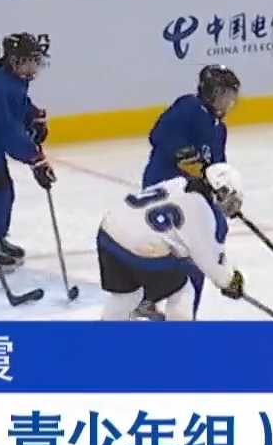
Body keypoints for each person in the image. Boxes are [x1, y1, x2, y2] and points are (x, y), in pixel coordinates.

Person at [135, 64, 239, 317]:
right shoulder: (189, 107)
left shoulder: (219, 129)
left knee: (209, 236)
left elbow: (216, 168)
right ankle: (154, 301)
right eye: (224, 95)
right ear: (211, 92)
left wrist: (224, 192)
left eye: (231, 96)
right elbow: (157, 134)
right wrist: (181, 152)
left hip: (190, 197)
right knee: (182, 250)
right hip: (164, 188)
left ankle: (166, 305)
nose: (229, 102)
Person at [95, 164, 246, 322]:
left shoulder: (178, 182)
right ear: (220, 191)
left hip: (109, 234)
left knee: (127, 296)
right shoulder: (203, 212)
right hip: (140, 250)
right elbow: (210, 262)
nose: (231, 206)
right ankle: (179, 336)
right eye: (231, 199)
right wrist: (230, 281)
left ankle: (105, 332)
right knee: (182, 290)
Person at [0, 32, 55, 266]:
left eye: (36, 60)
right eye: (30, 61)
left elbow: (19, 105)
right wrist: (35, 158)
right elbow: (8, 131)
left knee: (3, 190)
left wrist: (32, 115)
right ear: (15, 60)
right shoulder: (1, 86)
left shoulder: (12, 79)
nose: (34, 66)